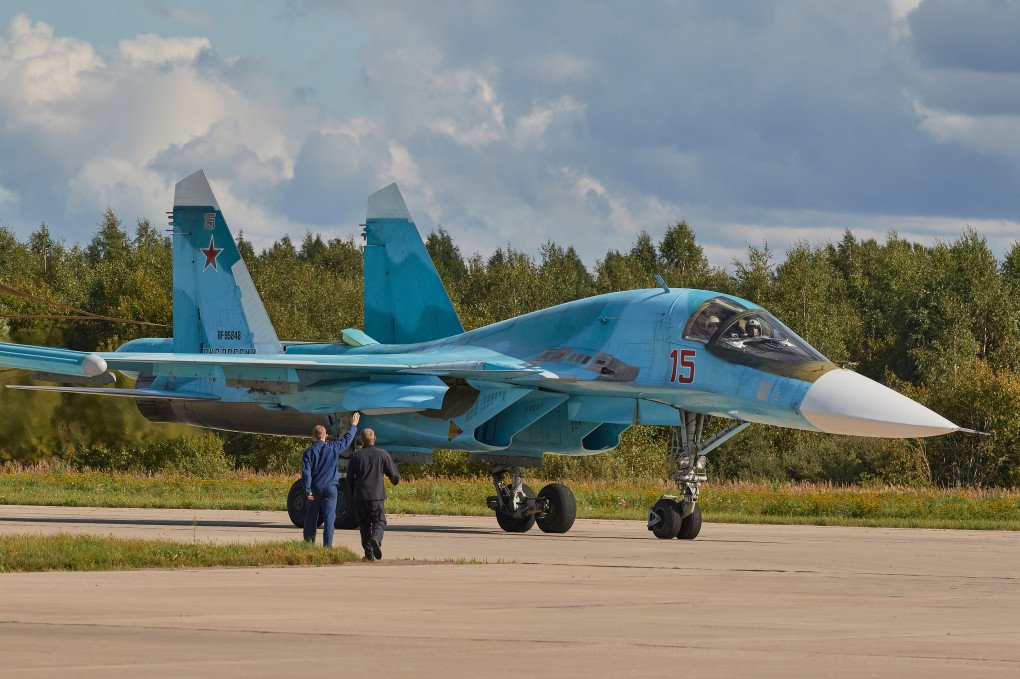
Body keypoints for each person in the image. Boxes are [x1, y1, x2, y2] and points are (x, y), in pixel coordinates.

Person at [301, 412, 360, 547]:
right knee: (329, 519)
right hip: (330, 489)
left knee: (311, 517)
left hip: (314, 489)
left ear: (313, 436)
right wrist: (354, 425)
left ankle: (309, 545)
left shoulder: (308, 453)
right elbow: (347, 440)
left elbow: (306, 472)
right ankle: (327, 547)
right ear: (326, 436)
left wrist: (307, 489)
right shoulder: (332, 448)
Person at [347, 427, 400, 561]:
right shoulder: (382, 454)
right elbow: (394, 475)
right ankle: (375, 539)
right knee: (379, 521)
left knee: (364, 525)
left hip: (360, 495)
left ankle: (369, 554)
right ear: (374, 439)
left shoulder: (355, 455)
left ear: (361, 441)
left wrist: (353, 492)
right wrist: (395, 480)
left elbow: (349, 478)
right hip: (376, 495)